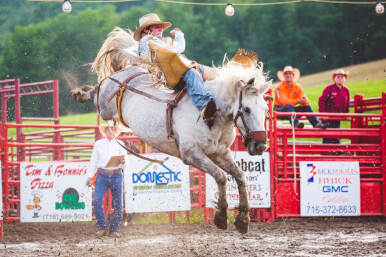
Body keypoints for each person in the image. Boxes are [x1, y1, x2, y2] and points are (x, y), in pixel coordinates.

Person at [134, 13, 217, 128]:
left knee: (206, 71)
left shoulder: (157, 41)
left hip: (174, 71)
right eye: (156, 26)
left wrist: (179, 36)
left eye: (161, 26)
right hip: (166, 75)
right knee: (192, 73)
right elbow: (175, 49)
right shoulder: (148, 40)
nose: (160, 28)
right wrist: (179, 36)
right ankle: (204, 105)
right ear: (147, 30)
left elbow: (176, 48)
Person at [86, 124, 127, 238]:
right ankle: (102, 227)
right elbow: (93, 161)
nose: (110, 131)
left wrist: (124, 162)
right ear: (104, 131)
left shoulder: (121, 144)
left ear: (116, 131)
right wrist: (90, 176)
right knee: (97, 200)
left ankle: (114, 229)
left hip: (116, 174)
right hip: (102, 174)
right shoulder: (98, 144)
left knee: (118, 203)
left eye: (113, 129)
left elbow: (126, 160)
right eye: (108, 129)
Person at [318, 69, 350, 144]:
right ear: (334, 79)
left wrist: (346, 114)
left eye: (342, 77)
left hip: (337, 119)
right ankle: (326, 154)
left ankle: (337, 153)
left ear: (344, 79)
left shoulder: (346, 91)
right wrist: (323, 114)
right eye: (338, 77)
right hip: (328, 119)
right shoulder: (329, 89)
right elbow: (321, 101)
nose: (340, 79)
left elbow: (347, 104)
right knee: (328, 138)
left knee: (337, 137)